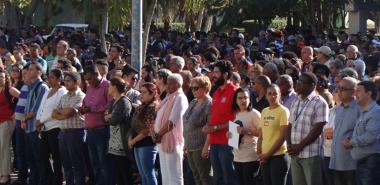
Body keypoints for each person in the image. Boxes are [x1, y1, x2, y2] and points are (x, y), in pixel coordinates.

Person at [287, 72, 329, 185]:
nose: (297, 84)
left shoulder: (320, 102)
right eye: (297, 81)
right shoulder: (296, 100)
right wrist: (289, 145)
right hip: (295, 154)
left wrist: (299, 146)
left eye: (301, 82)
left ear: (312, 85)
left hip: (311, 154)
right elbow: (289, 124)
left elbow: (318, 129)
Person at [202, 61, 239, 185]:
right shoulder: (216, 92)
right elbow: (214, 119)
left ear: (225, 74)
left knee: (229, 177)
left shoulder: (235, 92)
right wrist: (207, 143)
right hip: (214, 142)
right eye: (213, 72)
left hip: (229, 142)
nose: (213, 75)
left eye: (217, 72)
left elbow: (238, 120)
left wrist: (216, 128)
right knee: (217, 178)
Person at [152, 73, 189, 185]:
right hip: (161, 140)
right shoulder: (168, 97)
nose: (167, 86)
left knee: (175, 175)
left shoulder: (180, 98)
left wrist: (158, 134)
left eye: (169, 84)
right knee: (165, 175)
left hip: (172, 141)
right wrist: (154, 133)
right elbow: (157, 116)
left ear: (177, 84)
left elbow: (172, 121)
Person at [80, 64, 113, 185]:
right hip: (90, 129)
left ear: (96, 74)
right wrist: (82, 108)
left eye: (90, 79)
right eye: (86, 80)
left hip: (102, 129)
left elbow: (110, 105)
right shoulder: (89, 87)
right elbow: (85, 102)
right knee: (94, 162)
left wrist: (92, 109)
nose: (88, 82)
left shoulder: (107, 86)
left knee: (104, 161)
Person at [52, 72, 87, 185]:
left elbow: (69, 112)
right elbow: (53, 114)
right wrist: (64, 113)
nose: (65, 83)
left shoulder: (81, 96)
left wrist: (62, 113)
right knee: (66, 164)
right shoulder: (64, 96)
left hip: (76, 133)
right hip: (63, 133)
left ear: (76, 82)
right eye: (65, 80)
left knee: (77, 164)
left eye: (68, 81)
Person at [343, 81, 380, 185]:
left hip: (371, 162)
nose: (355, 94)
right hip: (364, 161)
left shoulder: (376, 112)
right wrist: (350, 139)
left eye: (358, 91)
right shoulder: (365, 111)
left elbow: (370, 136)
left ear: (369, 94)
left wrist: (351, 143)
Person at [35, 69, 67, 185]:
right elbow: (41, 107)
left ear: (59, 79)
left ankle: (58, 180)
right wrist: (38, 120)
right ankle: (47, 179)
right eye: (49, 77)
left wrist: (41, 120)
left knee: (56, 157)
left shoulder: (62, 91)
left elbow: (55, 111)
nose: (49, 79)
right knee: (43, 156)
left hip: (55, 128)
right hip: (44, 128)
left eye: (52, 77)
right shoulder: (48, 91)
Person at [22, 62, 49, 185]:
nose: (29, 72)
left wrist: (24, 118)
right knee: (32, 158)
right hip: (28, 128)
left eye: (32, 69)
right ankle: (34, 179)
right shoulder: (31, 86)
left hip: (37, 128)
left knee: (40, 158)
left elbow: (36, 109)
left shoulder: (42, 87)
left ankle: (44, 180)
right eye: (29, 70)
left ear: (40, 72)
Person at [183, 76, 213, 185]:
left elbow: (210, 126)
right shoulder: (193, 102)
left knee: (204, 177)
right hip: (190, 145)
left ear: (205, 88)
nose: (193, 90)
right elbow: (187, 122)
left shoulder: (209, 104)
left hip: (201, 146)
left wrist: (206, 147)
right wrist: (185, 144)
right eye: (192, 88)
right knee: (196, 176)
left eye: (196, 88)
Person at [329, 77, 359, 185]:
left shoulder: (359, 109)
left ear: (354, 91)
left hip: (351, 162)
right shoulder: (339, 108)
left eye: (343, 88)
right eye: (338, 88)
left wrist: (351, 140)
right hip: (336, 160)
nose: (339, 91)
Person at [258, 84, 290, 185]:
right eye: (269, 94)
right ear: (266, 95)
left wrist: (267, 155)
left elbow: (283, 137)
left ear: (279, 95)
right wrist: (260, 153)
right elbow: (261, 135)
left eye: (275, 94)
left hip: (278, 156)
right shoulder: (264, 111)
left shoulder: (283, 111)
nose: (272, 96)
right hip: (264, 157)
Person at [104, 77, 133, 185]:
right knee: (118, 176)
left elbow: (114, 119)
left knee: (125, 175)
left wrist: (109, 116)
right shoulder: (114, 101)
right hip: (113, 145)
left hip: (122, 145)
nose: (108, 88)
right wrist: (109, 116)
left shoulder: (124, 102)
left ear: (115, 86)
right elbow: (105, 117)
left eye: (110, 85)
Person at [129, 83, 159, 185]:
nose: (141, 94)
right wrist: (130, 138)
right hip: (137, 143)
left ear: (153, 93)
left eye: (144, 92)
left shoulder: (154, 106)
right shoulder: (141, 106)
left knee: (148, 173)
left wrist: (133, 140)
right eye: (141, 92)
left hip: (147, 143)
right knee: (142, 174)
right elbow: (133, 124)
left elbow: (147, 129)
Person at [231, 88, 261, 185]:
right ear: (235, 100)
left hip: (251, 156)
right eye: (240, 98)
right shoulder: (236, 114)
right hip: (237, 156)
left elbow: (263, 134)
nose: (243, 100)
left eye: (246, 97)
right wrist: (230, 135)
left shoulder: (255, 114)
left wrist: (246, 131)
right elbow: (235, 138)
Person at [0, 70, 19, 184]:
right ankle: (1, 173)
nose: (0, 79)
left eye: (2, 77)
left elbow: (24, 98)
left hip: (7, 122)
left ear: (6, 78)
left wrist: (15, 113)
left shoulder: (10, 89)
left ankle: (6, 174)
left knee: (4, 147)